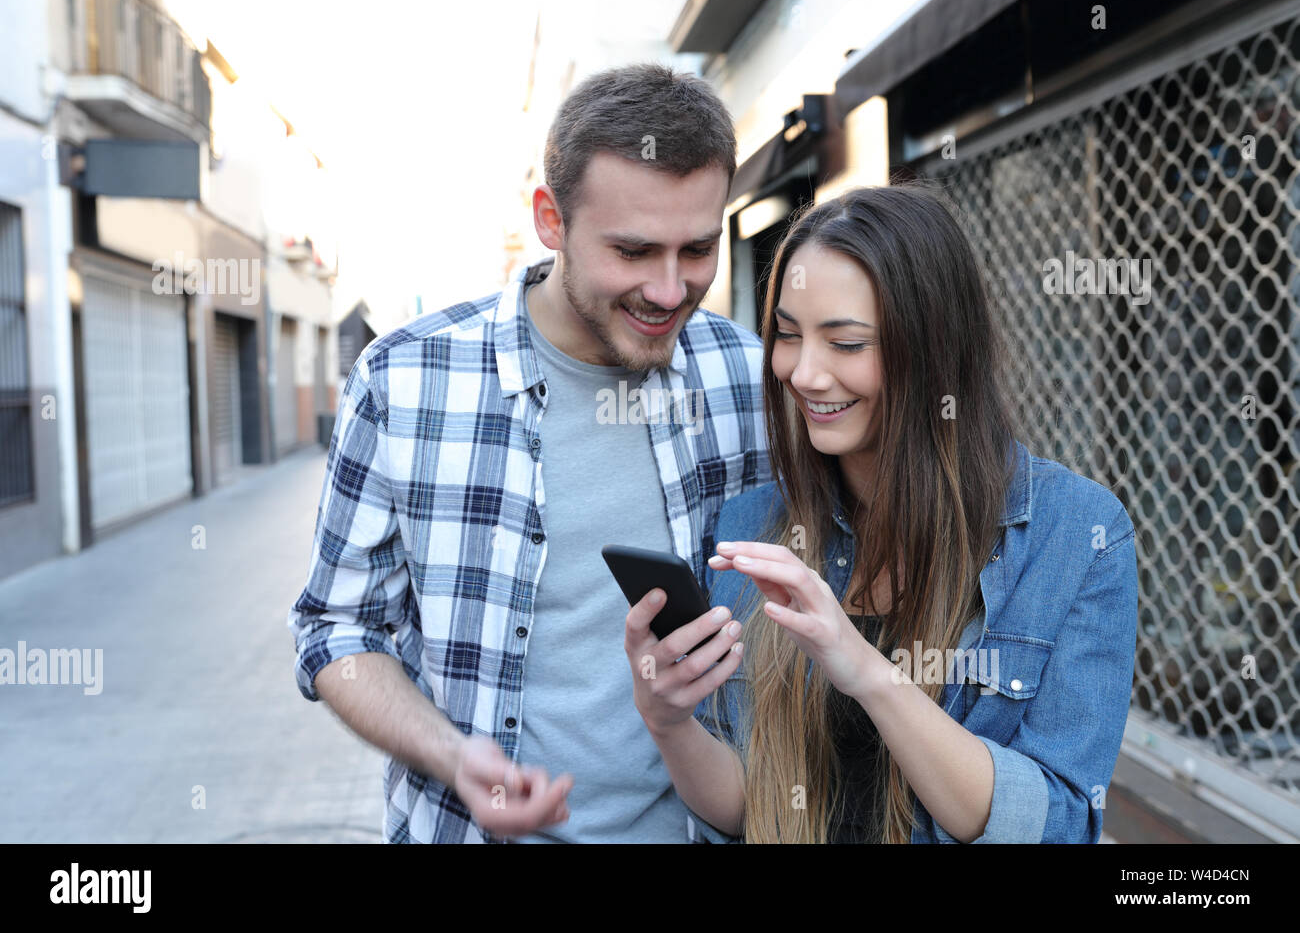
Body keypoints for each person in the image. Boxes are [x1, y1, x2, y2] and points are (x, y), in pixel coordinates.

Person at [288, 63, 770, 843]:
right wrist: (453, 756)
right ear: (551, 219)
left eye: (698, 250)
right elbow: (336, 626)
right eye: (634, 250)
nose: (671, 289)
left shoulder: (744, 378)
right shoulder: (405, 381)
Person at [625, 183, 1139, 843]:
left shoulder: (1078, 537)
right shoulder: (755, 524)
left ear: (934, 348)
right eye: (787, 335)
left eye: (845, 343)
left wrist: (867, 672)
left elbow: (1058, 825)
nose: (804, 373)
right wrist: (668, 721)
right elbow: (753, 807)